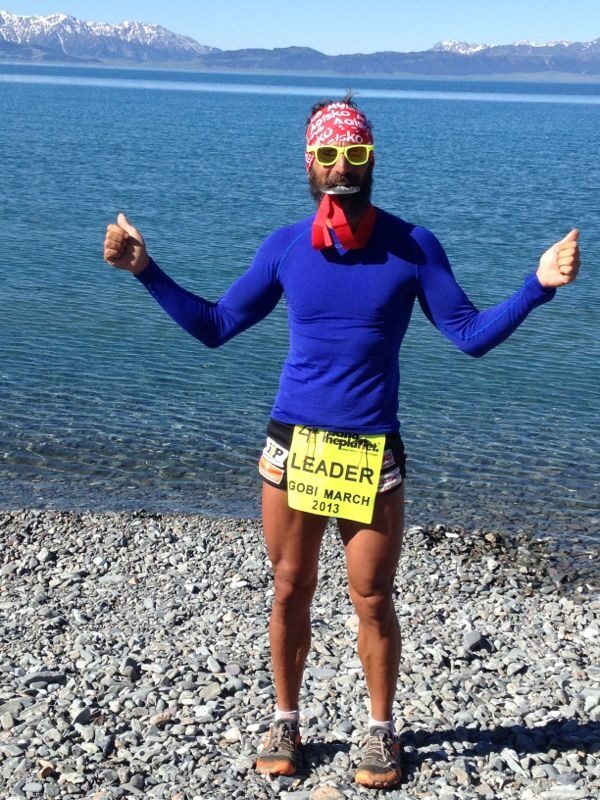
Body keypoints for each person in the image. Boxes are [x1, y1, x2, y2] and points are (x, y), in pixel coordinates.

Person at [103, 95, 580, 790]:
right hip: (293, 443)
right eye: (328, 155)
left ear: (371, 158)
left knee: (372, 595)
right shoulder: (286, 247)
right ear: (309, 163)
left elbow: (468, 336)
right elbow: (216, 325)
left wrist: (537, 286)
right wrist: (146, 270)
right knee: (289, 588)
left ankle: (381, 730)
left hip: (370, 450)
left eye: (354, 153)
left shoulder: (413, 246)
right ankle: (284, 720)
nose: (341, 167)